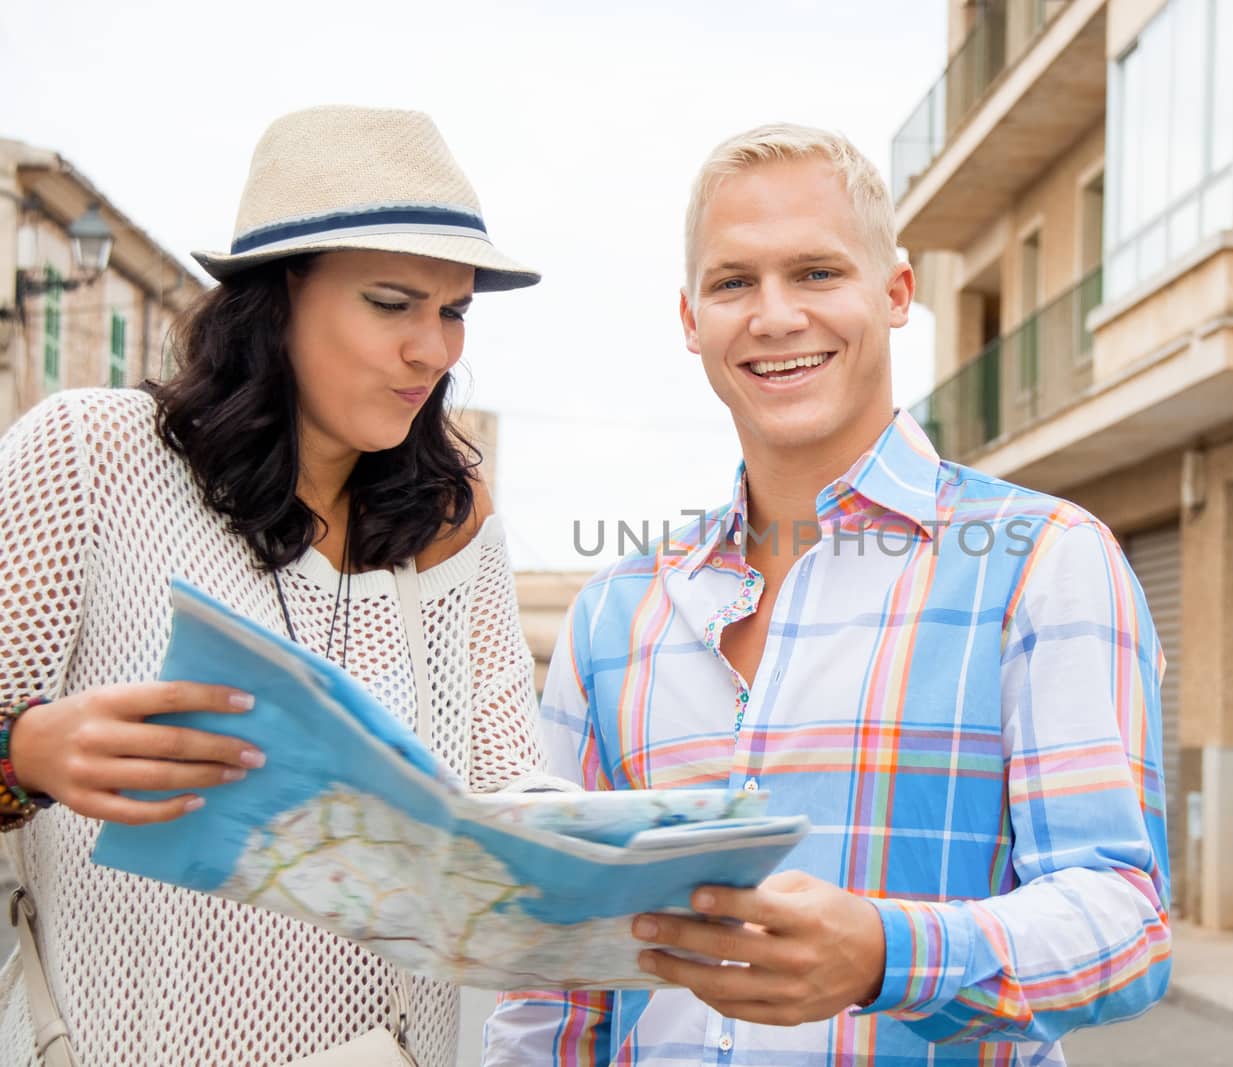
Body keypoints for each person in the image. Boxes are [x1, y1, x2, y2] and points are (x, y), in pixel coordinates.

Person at [485, 123, 1170, 1065]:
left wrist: (890, 955)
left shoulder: (1046, 562)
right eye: (734, 282)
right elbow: (554, 982)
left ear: (894, 295)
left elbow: (1122, 921)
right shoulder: (616, 612)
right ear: (691, 319)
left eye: (815, 273)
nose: (773, 316)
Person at [0, 105, 549, 1066]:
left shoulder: (455, 520)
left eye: (454, 308)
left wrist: (616, 851)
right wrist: (25, 756)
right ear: (277, 296)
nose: (436, 350)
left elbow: (507, 793)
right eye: (393, 302)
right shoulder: (91, 454)